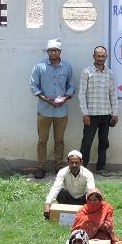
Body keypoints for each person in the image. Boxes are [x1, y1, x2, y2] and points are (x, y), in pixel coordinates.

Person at [30, 38, 75, 179]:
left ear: (60, 51)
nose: (53, 53)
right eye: (50, 50)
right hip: (44, 109)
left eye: (55, 50)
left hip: (61, 111)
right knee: (42, 140)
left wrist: (65, 98)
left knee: (59, 140)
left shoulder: (67, 67)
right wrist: (45, 99)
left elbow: (71, 86)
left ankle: (59, 166)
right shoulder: (39, 67)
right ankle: (40, 166)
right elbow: (33, 86)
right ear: (47, 51)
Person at [78, 45, 118, 175]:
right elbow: (81, 94)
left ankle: (101, 168)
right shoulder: (87, 72)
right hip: (91, 115)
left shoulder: (109, 73)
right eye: (98, 55)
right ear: (93, 56)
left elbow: (113, 94)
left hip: (106, 114)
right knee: (87, 143)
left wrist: (115, 113)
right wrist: (85, 113)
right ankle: (82, 169)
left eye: (103, 56)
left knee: (104, 142)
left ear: (106, 57)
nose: (101, 58)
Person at [43, 151, 95, 219]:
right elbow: (56, 187)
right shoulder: (62, 172)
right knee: (60, 192)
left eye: (76, 163)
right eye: (71, 163)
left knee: (91, 194)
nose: (74, 165)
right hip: (68, 199)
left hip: (83, 200)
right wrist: (47, 204)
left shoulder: (88, 174)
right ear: (68, 163)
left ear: (81, 162)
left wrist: (93, 206)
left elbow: (91, 189)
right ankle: (66, 211)